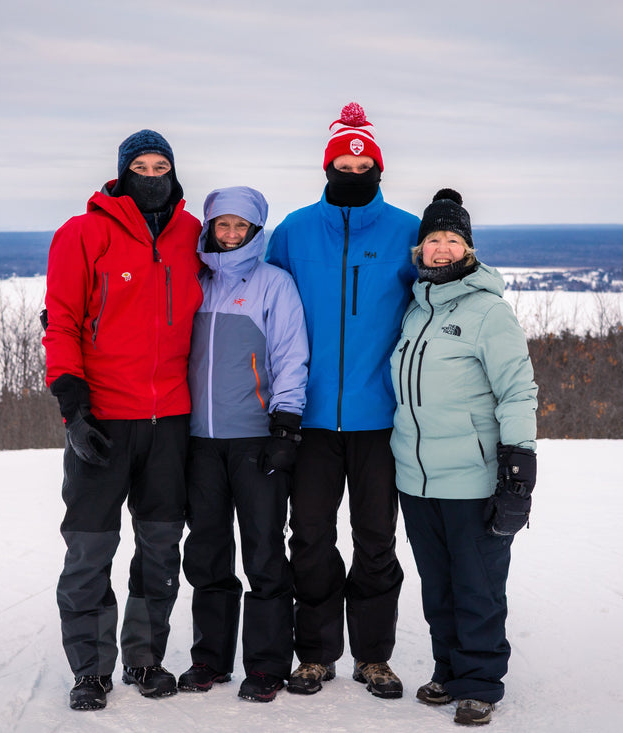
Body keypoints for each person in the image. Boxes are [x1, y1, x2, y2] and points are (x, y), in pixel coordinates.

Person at [42, 129, 203, 711]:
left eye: (162, 165)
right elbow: (60, 320)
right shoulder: (83, 233)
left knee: (160, 547)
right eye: (142, 164)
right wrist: (72, 406)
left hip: (171, 423)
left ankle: (144, 658)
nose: (153, 173)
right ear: (121, 171)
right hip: (103, 420)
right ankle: (90, 669)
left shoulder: (193, 235)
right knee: (90, 548)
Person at [266, 102, 419, 698]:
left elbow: (439, 301)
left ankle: (374, 657)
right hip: (308, 417)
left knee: (377, 537)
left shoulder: (408, 231)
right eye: (343, 161)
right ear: (327, 165)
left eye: (363, 162)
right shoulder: (295, 231)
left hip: (381, 417)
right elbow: (262, 306)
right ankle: (317, 654)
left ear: (378, 167)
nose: (353, 170)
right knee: (309, 535)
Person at [391, 189, 538, 726]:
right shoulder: (416, 310)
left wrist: (518, 472)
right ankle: (449, 669)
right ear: (420, 250)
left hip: (472, 478)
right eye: (434, 239)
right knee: (438, 585)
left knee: (477, 585)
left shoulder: (488, 312)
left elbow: (518, 391)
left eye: (454, 240)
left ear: (470, 250)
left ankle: (478, 683)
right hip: (416, 477)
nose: (443, 248)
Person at [177, 186, 309, 703]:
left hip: (256, 439)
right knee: (207, 553)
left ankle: (267, 664)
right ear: (209, 228)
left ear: (256, 231)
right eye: (222, 225)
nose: (230, 234)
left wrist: (284, 426)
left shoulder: (274, 284)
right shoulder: (195, 282)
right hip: (200, 442)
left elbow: (292, 355)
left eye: (242, 226)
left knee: (263, 552)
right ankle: (210, 658)